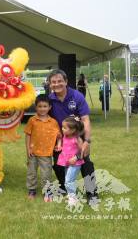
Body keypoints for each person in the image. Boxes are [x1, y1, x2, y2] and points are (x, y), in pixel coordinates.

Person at [46, 69, 98, 206]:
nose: (56, 84)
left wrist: (86, 141)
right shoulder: (50, 99)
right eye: (53, 82)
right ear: (50, 84)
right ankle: (66, 188)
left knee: (85, 164)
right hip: (60, 140)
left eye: (59, 81)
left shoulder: (77, 96)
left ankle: (92, 193)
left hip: (78, 139)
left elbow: (86, 120)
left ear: (66, 82)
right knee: (58, 165)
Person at [24, 95, 60, 201]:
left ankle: (47, 192)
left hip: (46, 153)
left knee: (46, 174)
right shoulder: (32, 120)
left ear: (49, 107)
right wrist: (28, 149)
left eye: (45, 106)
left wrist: (59, 144)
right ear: (36, 107)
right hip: (33, 152)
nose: (42, 109)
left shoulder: (53, 122)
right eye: (40, 106)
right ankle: (32, 190)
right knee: (31, 172)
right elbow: (28, 135)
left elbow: (58, 135)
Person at [56, 115, 86, 207]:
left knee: (69, 180)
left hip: (75, 163)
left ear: (73, 130)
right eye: (62, 127)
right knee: (67, 179)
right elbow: (62, 140)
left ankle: (73, 198)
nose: (62, 129)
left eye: (65, 128)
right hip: (66, 161)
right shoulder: (65, 135)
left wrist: (76, 158)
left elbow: (82, 152)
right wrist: (59, 146)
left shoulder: (77, 139)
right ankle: (70, 195)